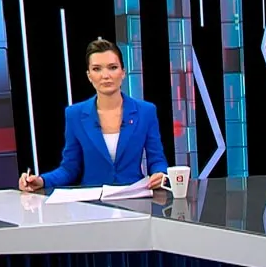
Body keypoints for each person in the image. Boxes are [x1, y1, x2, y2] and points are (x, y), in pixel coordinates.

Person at [19, 38, 168, 192]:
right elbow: (69, 168)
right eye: (97, 69)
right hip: (93, 201)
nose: (105, 75)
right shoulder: (74, 114)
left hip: (134, 196)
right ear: (89, 75)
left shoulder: (146, 111)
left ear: (123, 72)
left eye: (112, 67)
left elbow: (157, 160)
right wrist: (42, 180)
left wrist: (160, 174)